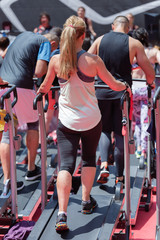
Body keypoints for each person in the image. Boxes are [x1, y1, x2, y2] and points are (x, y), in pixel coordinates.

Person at [37, 15, 131, 232]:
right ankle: (86, 200)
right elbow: (114, 85)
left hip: (67, 122)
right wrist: (125, 85)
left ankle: (62, 214)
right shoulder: (92, 61)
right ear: (82, 36)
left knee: (66, 166)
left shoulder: (56, 60)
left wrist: (38, 94)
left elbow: (44, 87)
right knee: (89, 159)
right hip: (90, 120)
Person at [88, 16, 155, 184]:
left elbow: (86, 60)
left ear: (112, 26)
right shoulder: (134, 43)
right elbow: (150, 72)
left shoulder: (100, 39)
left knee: (104, 130)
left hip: (101, 90)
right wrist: (150, 83)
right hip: (122, 93)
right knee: (120, 132)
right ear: (128, 28)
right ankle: (119, 175)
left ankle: (104, 165)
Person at [0, 31, 59, 194]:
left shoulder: (20, 36)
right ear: (53, 44)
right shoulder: (45, 43)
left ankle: (8, 180)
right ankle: (31, 169)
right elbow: (40, 71)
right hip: (21, 87)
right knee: (33, 125)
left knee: (6, 133)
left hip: (3, 86)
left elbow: (5, 54)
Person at [131, 27, 158, 161]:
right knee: (146, 120)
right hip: (147, 89)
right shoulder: (153, 52)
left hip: (134, 89)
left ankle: (139, 148)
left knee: (137, 122)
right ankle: (144, 150)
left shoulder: (132, 52)